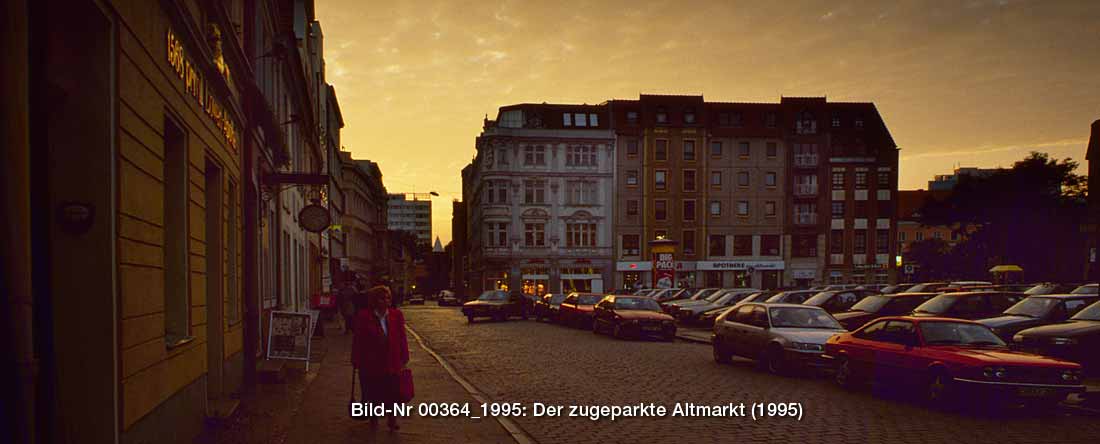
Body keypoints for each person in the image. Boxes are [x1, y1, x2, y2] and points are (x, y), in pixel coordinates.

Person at [351, 285, 409, 431]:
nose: (385, 301)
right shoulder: (364, 316)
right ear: (374, 300)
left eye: (388, 297)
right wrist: (356, 359)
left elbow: (402, 337)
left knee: (393, 392)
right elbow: (358, 339)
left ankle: (392, 419)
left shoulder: (396, 315)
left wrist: (404, 356)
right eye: (382, 298)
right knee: (373, 392)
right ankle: (374, 419)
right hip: (371, 361)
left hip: (392, 360)